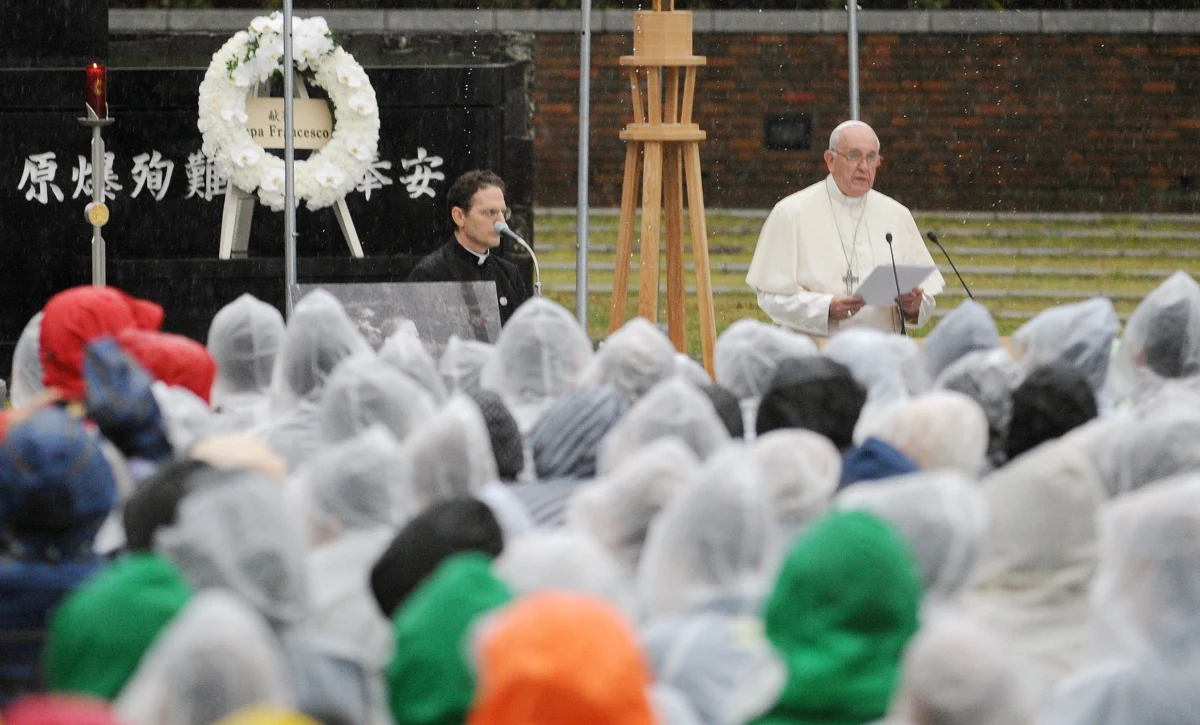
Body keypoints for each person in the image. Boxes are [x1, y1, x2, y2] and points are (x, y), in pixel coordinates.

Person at [746, 120, 944, 336]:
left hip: (882, 352)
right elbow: (770, 297)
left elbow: (925, 301)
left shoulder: (898, 215)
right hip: (814, 352)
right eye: (854, 156)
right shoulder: (791, 212)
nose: (864, 167)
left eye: (871, 157)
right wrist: (825, 308)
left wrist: (913, 306)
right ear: (830, 160)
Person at [407, 170, 530, 325]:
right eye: (490, 212)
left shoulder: (509, 274)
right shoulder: (431, 274)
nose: (501, 223)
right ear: (459, 216)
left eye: (503, 213)